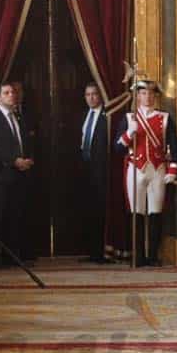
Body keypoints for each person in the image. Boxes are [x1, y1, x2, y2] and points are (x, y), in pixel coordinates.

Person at [114, 78, 177, 266]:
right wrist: (129, 133)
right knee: (136, 213)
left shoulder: (165, 118)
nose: (147, 97)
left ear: (156, 96)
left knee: (155, 213)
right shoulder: (129, 118)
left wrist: (173, 168)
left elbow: (173, 145)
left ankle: (153, 256)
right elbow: (118, 148)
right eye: (143, 93)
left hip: (158, 169)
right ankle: (138, 256)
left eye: (151, 93)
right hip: (135, 169)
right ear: (138, 96)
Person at [0, 79, 35, 265]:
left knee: (17, 215)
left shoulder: (18, 117)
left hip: (20, 175)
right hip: (2, 176)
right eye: (6, 93)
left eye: (12, 92)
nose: (11, 95)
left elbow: (24, 142)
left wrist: (28, 158)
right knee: (1, 217)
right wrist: (13, 160)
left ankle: (15, 255)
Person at [79, 82, 112, 263]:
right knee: (88, 211)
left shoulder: (108, 117)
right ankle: (91, 251)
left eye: (94, 94)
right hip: (86, 170)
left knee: (100, 210)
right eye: (87, 94)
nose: (91, 98)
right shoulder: (84, 116)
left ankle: (101, 252)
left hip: (101, 171)